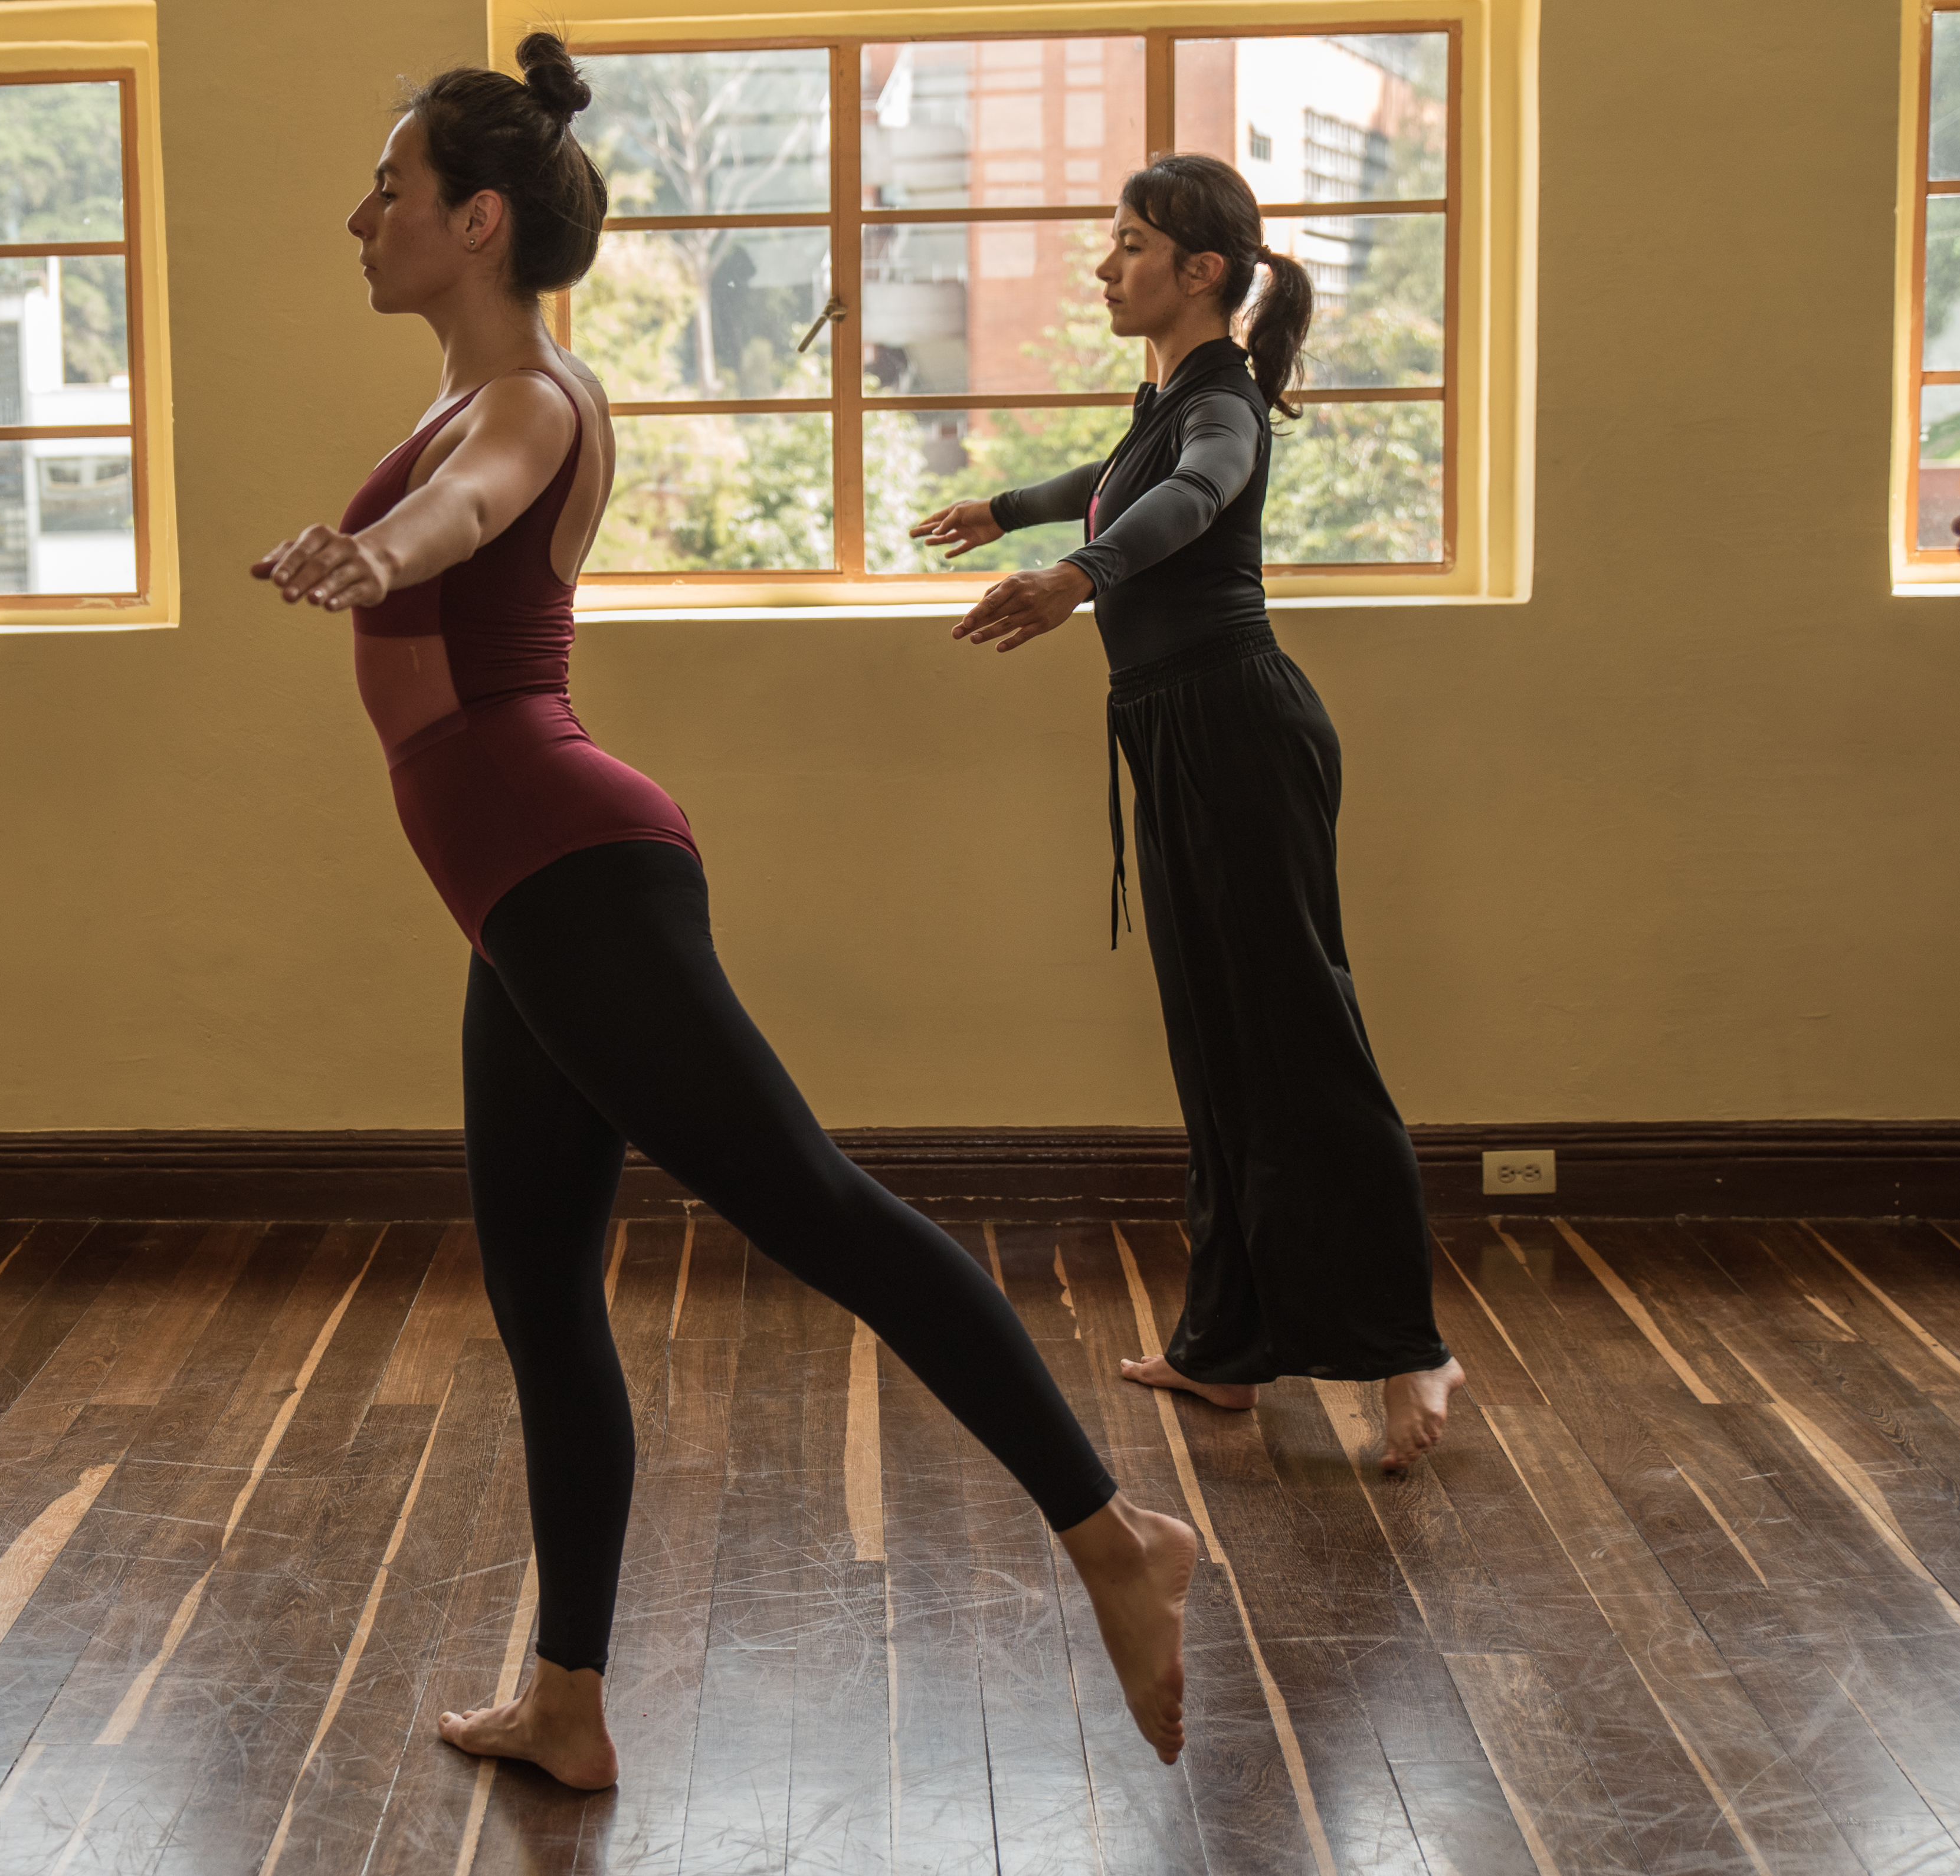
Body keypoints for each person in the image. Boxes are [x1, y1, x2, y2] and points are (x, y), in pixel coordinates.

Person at [253, 34, 1199, 1790]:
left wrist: (377, 554)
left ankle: (1109, 1532)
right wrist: (379, 548)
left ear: (473, 218)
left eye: (388, 189)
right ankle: (568, 1697)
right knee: (541, 1287)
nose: (357, 218)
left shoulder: (529, 400)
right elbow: (449, 493)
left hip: (568, 863)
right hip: (521, 891)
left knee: (812, 1205)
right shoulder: (461, 397)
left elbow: (468, 514)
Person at [909, 154, 1464, 1474]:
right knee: (1219, 1048)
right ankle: (1229, 1347)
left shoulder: (1227, 402)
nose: (1107, 266)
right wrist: (1007, 510)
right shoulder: (1164, 395)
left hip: (1240, 732)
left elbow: (1194, 492)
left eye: (1130, 245)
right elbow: (1112, 475)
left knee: (1301, 1043)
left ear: (1199, 271)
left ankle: (1408, 1345)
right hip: (1178, 734)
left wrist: (1076, 577)